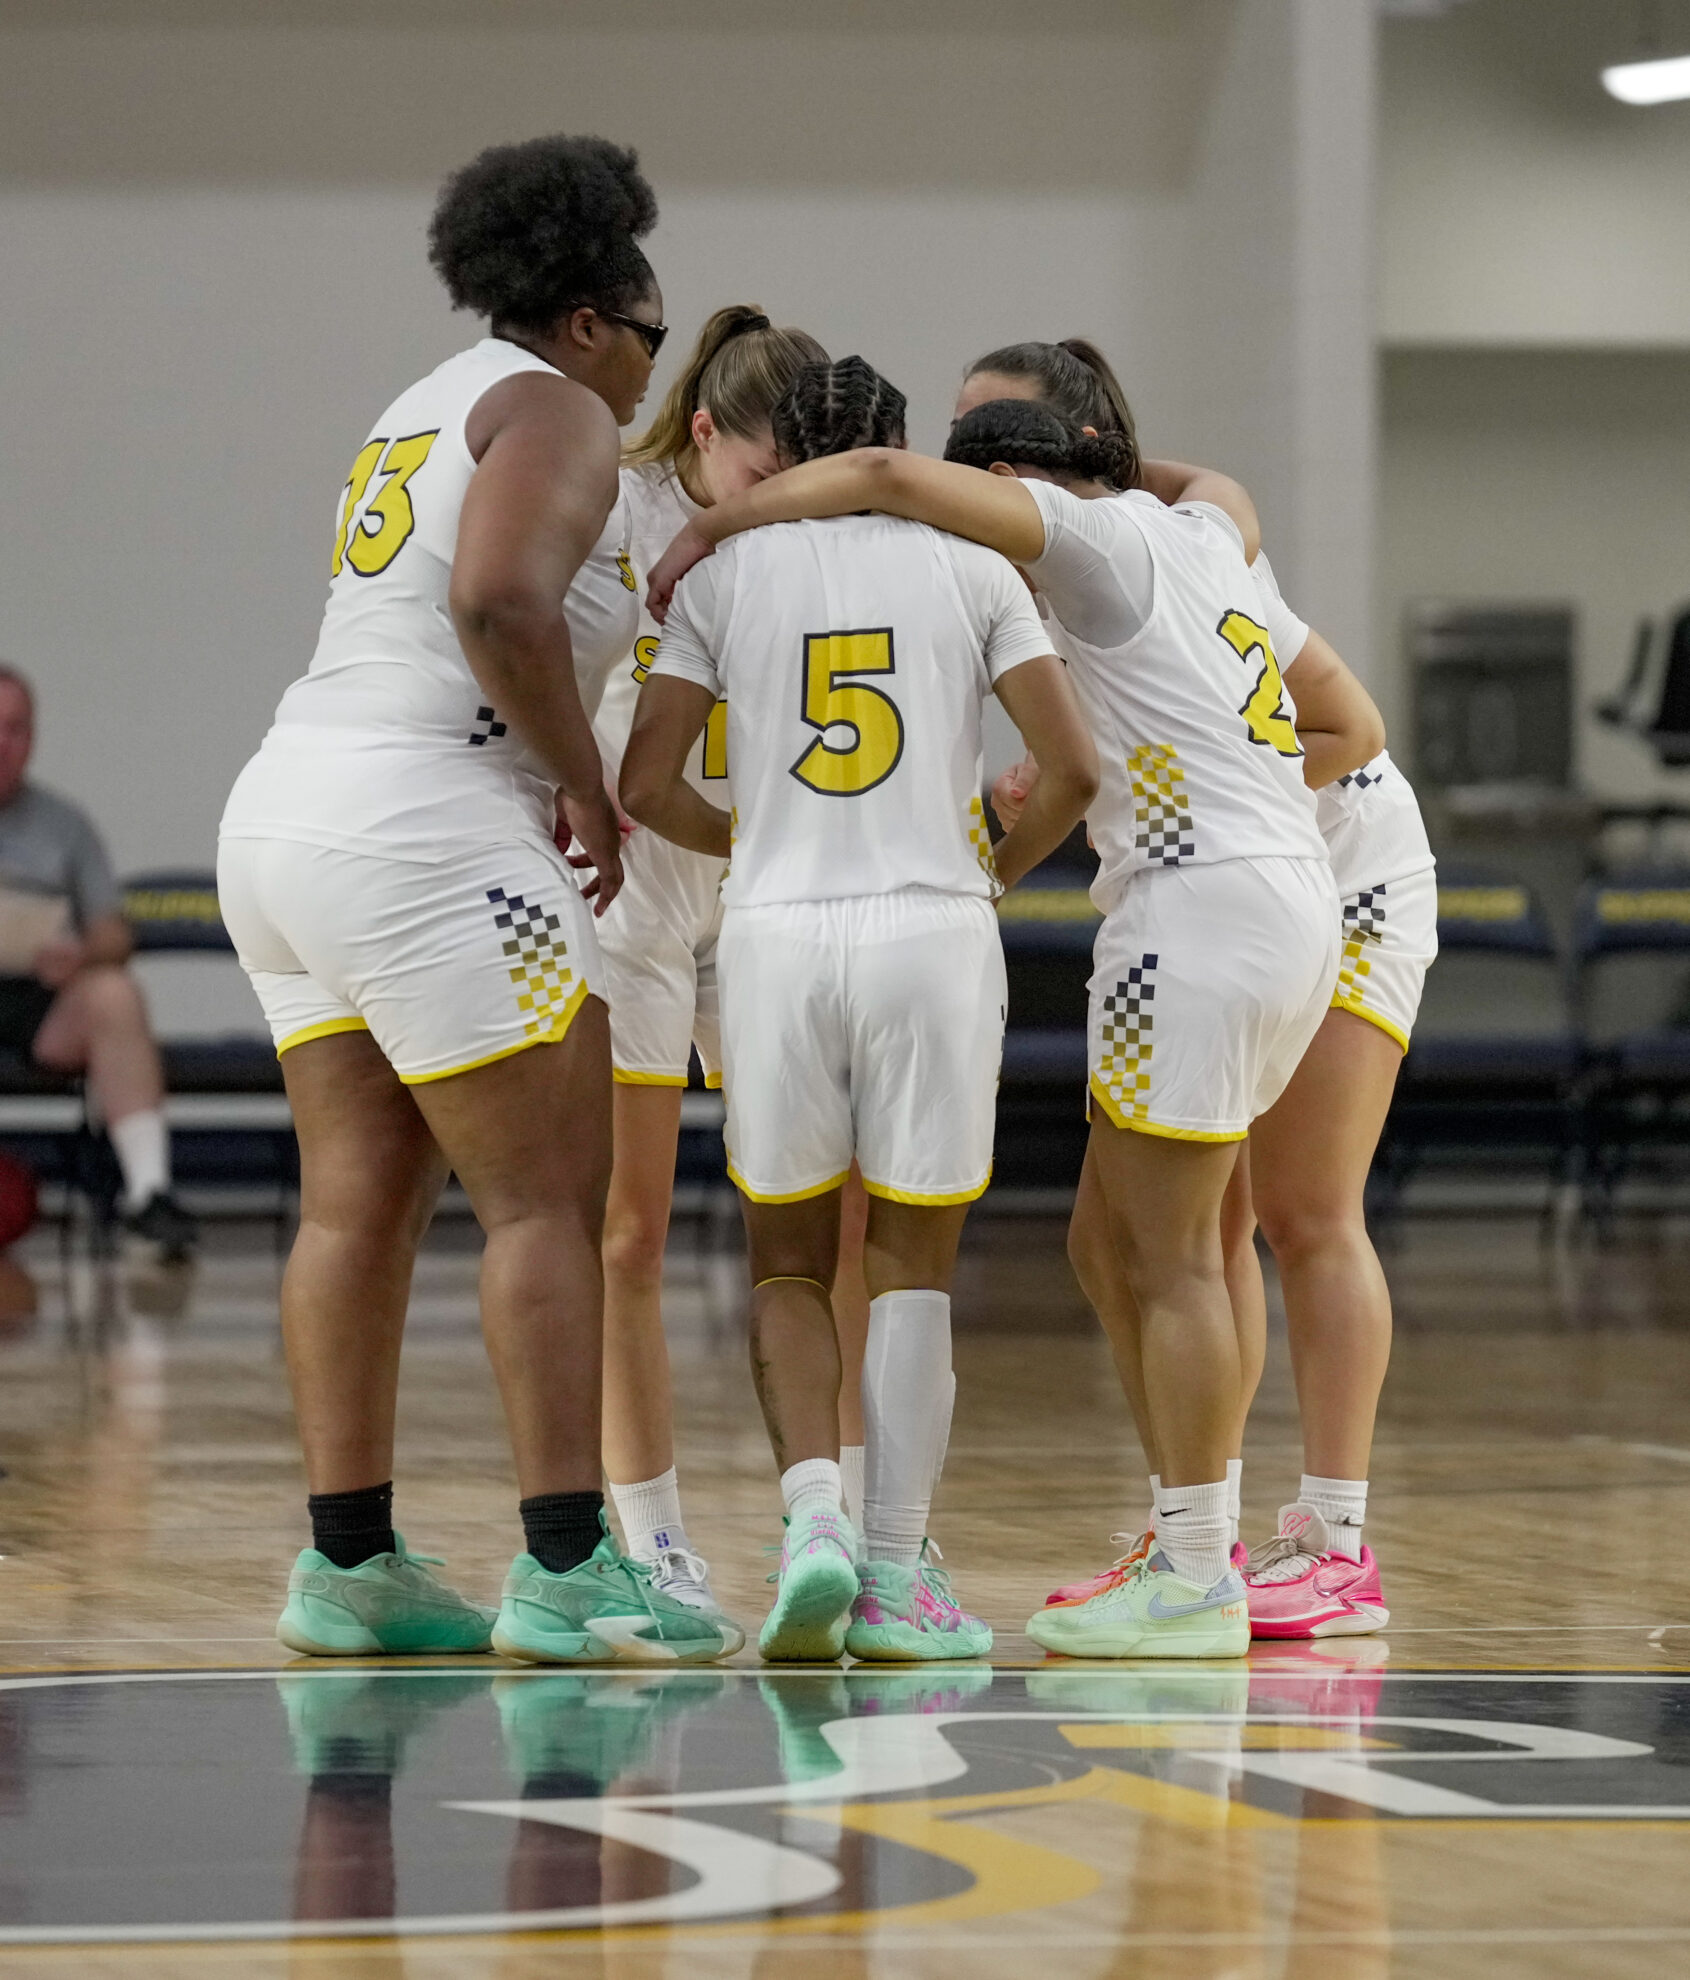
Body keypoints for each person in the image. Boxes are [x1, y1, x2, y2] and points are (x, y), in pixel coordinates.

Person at [647, 389, 1376, 1659]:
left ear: (1003, 480)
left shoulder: (1034, 543)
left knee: (1154, 1255)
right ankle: (934, 1559)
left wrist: (708, 532)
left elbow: (648, 779)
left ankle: (1186, 1559)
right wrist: (997, 860)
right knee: (1128, 1242)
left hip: (1148, 908)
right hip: (1275, 895)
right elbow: (1280, 719)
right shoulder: (1201, 531)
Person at [217, 134, 734, 1664]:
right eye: (646, 329)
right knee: (545, 1204)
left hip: (289, 809)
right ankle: (568, 1569)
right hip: (430, 820)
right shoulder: (558, 408)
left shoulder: (417, 407)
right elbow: (498, 604)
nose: (647, 366)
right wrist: (580, 779)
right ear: (586, 317)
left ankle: (349, 1562)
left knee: (354, 1205)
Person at [624, 357, 1098, 1662]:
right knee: (906, 1268)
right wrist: (989, 874)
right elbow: (1069, 768)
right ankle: (895, 1576)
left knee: (784, 1257)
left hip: (774, 934)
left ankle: (812, 1520)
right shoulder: (973, 568)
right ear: (894, 450)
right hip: (930, 930)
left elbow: (644, 781)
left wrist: (758, 840)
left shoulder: (721, 575)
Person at [592, 305, 853, 1632]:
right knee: (626, 1236)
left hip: (754, 910)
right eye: (763, 476)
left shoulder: (807, 542)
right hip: (631, 906)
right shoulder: (612, 509)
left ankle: (837, 1521)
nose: (781, 503)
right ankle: (649, 1539)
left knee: (811, 1231)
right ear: (702, 432)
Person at [0, 666, 197, 1257]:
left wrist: (81, 953)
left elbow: (114, 931)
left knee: (115, 992)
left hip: (39, 997)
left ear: (32, 738)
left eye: (16, 729)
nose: (3, 743)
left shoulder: (64, 824)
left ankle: (148, 1194)